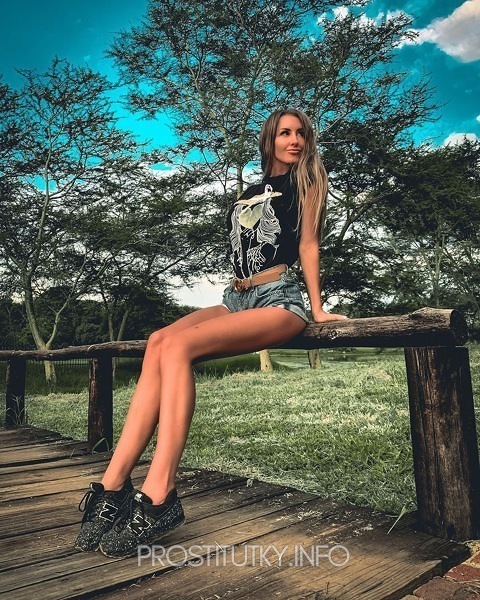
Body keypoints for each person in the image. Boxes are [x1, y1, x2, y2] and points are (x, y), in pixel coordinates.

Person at [74, 108, 348, 558]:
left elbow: (308, 244)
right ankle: (114, 483)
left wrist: (318, 308)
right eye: (285, 132)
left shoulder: (308, 182)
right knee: (160, 340)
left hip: (279, 300)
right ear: (269, 139)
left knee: (179, 346)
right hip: (236, 297)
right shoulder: (249, 192)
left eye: (301, 133)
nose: (294, 140)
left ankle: (160, 491)